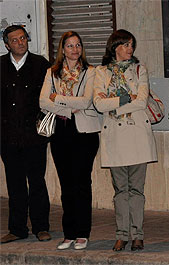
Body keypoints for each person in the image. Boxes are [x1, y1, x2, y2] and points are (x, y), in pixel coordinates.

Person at [93, 29, 157, 252]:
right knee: (120, 190)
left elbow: (141, 102)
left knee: (136, 190)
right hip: (114, 137)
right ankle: (121, 234)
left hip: (137, 134)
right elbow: (98, 104)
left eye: (132, 45)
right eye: (126, 45)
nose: (130, 49)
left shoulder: (140, 69)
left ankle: (137, 235)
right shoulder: (100, 72)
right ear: (114, 47)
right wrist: (123, 98)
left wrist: (114, 104)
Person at [40, 31, 100, 250]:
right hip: (60, 132)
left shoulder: (91, 72)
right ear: (62, 49)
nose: (75, 50)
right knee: (66, 185)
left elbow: (86, 101)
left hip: (85, 133)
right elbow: (43, 102)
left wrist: (58, 99)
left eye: (78, 45)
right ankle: (69, 233)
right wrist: (67, 105)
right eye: (70, 46)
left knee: (82, 183)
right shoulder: (52, 72)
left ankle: (83, 232)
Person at [0, 25, 51, 244]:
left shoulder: (41, 65)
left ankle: (41, 227)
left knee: (37, 182)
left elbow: (50, 96)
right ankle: (17, 228)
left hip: (34, 136)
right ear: (7, 44)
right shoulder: (0, 65)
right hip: (7, 136)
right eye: (15, 40)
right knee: (15, 183)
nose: (20, 42)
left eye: (23, 38)